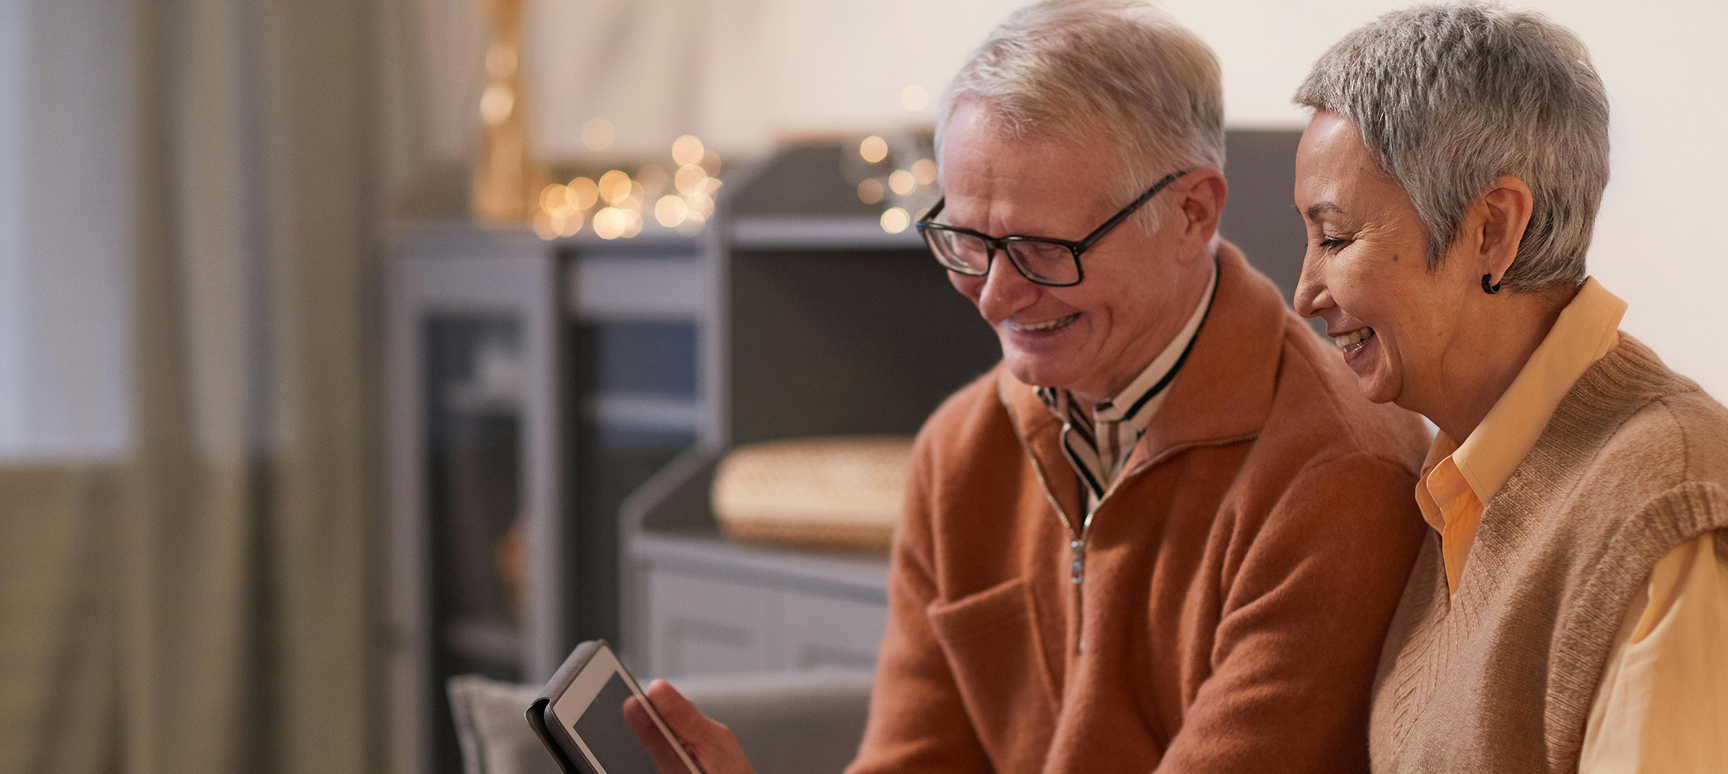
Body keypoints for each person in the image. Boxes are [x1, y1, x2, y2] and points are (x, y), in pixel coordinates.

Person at [626, 2, 1432, 771]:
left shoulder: (1335, 481)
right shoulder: (961, 449)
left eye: (1045, 250)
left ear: (1191, 213)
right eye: (966, 241)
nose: (995, 296)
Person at [1291, 5, 1728, 772]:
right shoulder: (1460, 478)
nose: (1304, 291)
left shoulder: (1665, 499)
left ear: (1492, 228)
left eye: (1334, 237)